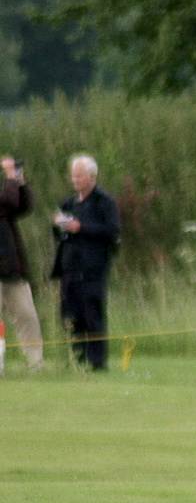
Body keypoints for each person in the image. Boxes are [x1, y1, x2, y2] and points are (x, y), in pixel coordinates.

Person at [50, 154, 119, 371]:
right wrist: (59, 224)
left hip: (92, 268)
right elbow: (57, 233)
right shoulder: (69, 202)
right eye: (73, 176)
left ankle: (97, 362)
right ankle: (78, 360)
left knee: (92, 312)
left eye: (79, 176)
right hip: (69, 266)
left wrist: (82, 227)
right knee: (71, 314)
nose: (75, 180)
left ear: (91, 176)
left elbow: (112, 231)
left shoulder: (104, 201)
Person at [0, 156, 44, 371]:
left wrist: (20, 182)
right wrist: (9, 178)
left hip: (10, 268)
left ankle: (35, 364)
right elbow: (7, 201)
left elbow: (21, 206)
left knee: (27, 316)